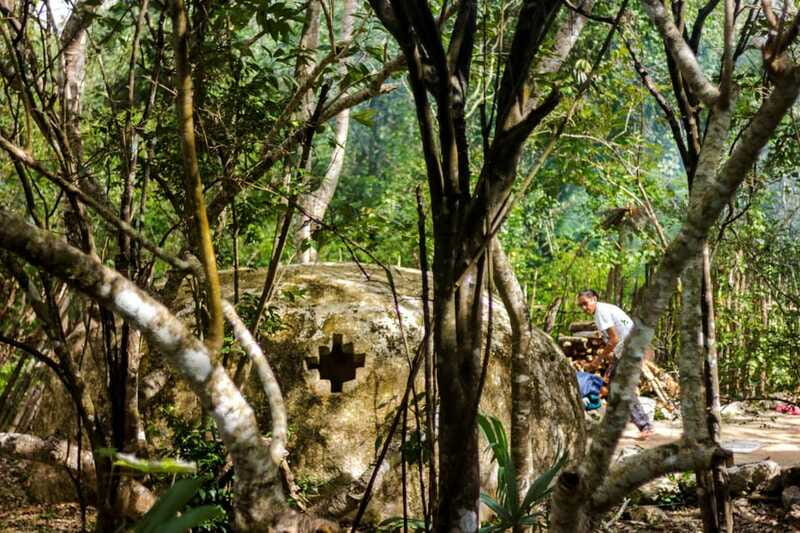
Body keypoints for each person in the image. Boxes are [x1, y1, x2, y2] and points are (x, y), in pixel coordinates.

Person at [577, 289, 654, 440]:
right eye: (581, 306)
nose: (584, 308)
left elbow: (614, 339)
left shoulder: (601, 312)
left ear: (594, 299)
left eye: (585, 304)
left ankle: (644, 425)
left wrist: (597, 361)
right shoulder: (605, 309)